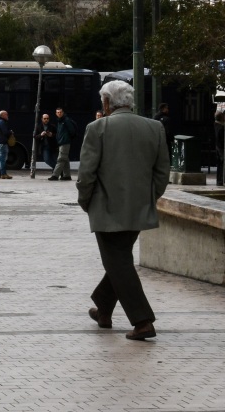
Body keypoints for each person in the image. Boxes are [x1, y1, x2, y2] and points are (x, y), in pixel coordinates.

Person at [77, 80, 169, 341]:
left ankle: (142, 321)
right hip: (139, 209)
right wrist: (148, 198)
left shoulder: (98, 128)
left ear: (107, 103)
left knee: (117, 262)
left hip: (106, 210)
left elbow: (86, 174)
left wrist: (86, 201)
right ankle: (103, 309)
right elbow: (162, 173)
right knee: (119, 260)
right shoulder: (154, 127)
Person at [49, 107, 78, 181]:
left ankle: (55, 175)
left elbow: (71, 131)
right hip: (62, 142)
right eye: (58, 112)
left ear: (63, 112)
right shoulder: (60, 121)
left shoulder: (66, 120)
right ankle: (67, 175)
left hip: (65, 142)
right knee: (65, 159)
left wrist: (67, 138)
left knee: (61, 159)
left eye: (60, 112)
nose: (59, 113)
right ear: (56, 113)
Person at [0, 110, 13, 179]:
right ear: (2, 115)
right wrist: (10, 132)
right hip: (2, 143)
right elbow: (5, 132)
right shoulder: (2, 122)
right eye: (6, 114)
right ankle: (3, 174)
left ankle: (0, 173)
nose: (7, 116)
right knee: (3, 159)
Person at [215, 111, 224, 187]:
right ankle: (220, 180)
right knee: (221, 164)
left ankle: (219, 180)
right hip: (221, 148)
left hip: (218, 147)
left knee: (219, 164)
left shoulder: (216, 125)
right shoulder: (220, 128)